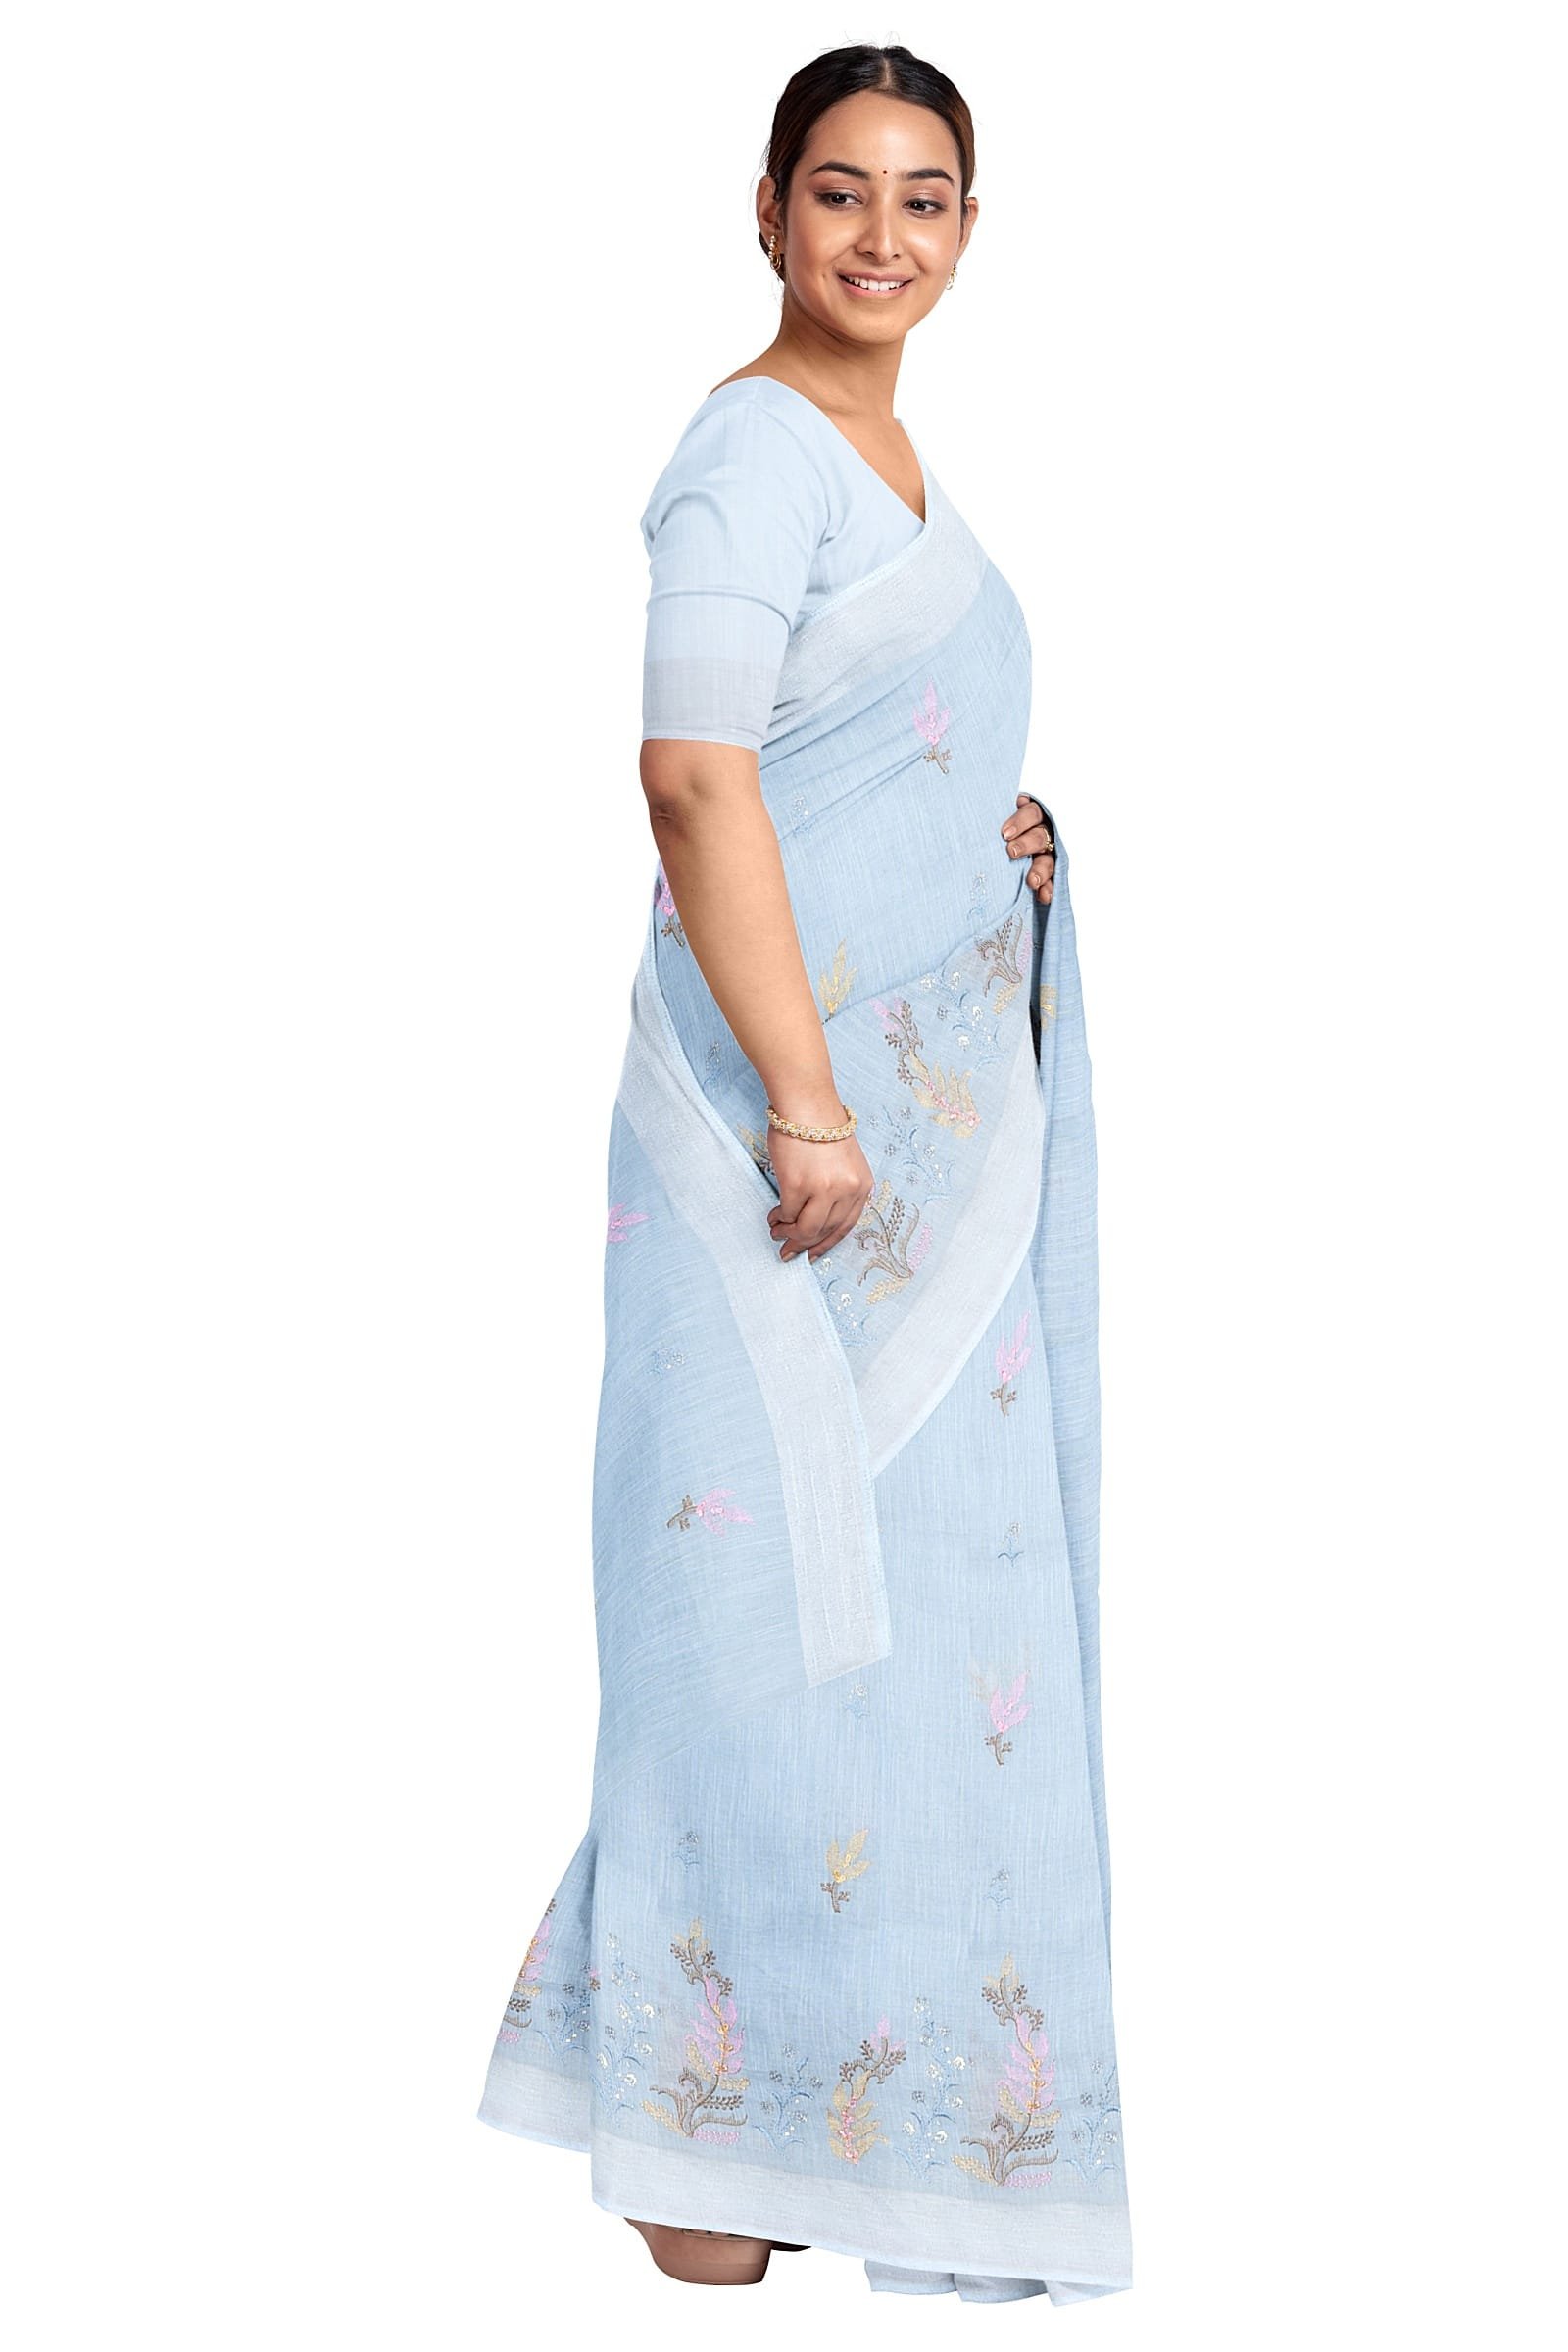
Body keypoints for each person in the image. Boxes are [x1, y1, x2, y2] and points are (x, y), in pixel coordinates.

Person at [478, 41, 1133, 2305]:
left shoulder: (890, 465)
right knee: (747, 1633)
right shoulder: (748, 458)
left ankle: (821, 2128)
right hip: (783, 1163)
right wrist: (805, 1103)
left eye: (921, 196)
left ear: (968, 230)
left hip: (910, 1170)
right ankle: (703, 2136)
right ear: (762, 213)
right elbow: (691, 776)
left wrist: (991, 846)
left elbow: (867, 752)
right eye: (837, 189)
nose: (878, 233)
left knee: (923, 1631)